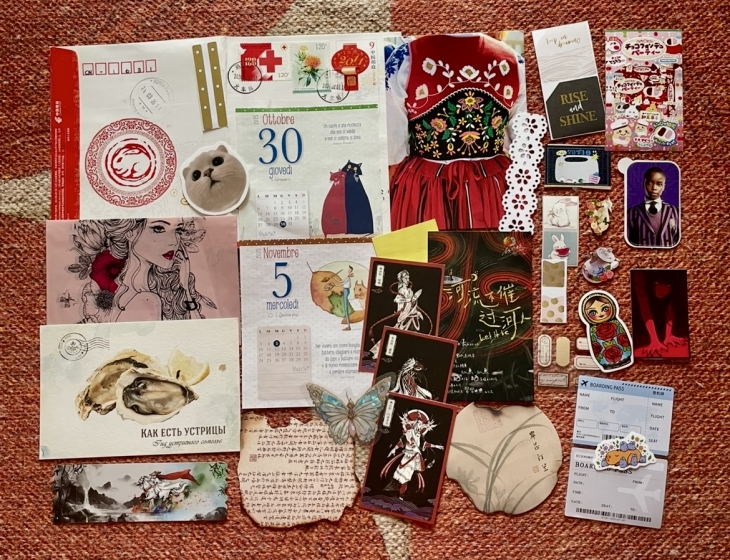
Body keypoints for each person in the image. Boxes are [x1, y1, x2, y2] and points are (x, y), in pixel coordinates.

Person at [385, 33, 526, 230]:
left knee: (423, 249)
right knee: (493, 249)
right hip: (492, 190)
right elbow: (524, 145)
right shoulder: (514, 61)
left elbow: (392, 147)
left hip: (425, 189)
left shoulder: (405, 57)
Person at [69, 218, 213, 323]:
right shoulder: (147, 299)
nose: (174, 241)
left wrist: (185, 287)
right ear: (130, 232)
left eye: (178, 230)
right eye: (158, 229)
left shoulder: (126, 291)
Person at [380, 409, 443, 497]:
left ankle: (401, 496)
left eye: (421, 424)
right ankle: (392, 491)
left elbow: (424, 444)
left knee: (407, 478)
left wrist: (436, 446)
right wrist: (394, 449)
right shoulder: (408, 433)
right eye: (418, 423)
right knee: (398, 475)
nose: (419, 426)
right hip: (407, 456)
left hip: (414, 458)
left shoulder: (419, 436)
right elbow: (401, 442)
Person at [626, 167, 680, 248]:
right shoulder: (631, 212)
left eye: (659, 184)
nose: (654, 188)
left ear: (664, 187)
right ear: (643, 184)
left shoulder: (675, 211)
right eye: (649, 183)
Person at [580, 293, 633, 371]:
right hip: (605, 362)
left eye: (605, 309)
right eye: (593, 312)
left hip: (625, 356)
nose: (600, 314)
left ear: (612, 307)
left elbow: (622, 337)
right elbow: (596, 346)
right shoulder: (593, 330)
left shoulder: (616, 323)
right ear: (586, 315)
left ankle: (625, 358)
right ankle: (606, 363)